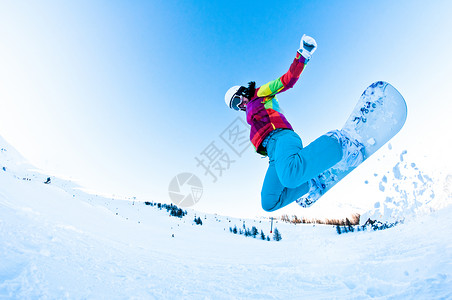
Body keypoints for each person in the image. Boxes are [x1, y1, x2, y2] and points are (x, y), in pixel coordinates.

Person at [224, 34, 364, 212]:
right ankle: (309, 185)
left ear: (242, 92)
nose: (240, 106)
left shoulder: (260, 94)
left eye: (237, 101)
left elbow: (286, 80)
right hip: (273, 155)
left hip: (282, 138)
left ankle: (337, 142)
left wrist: (303, 54)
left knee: (290, 176)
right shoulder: (251, 116)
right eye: (235, 107)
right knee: (268, 202)